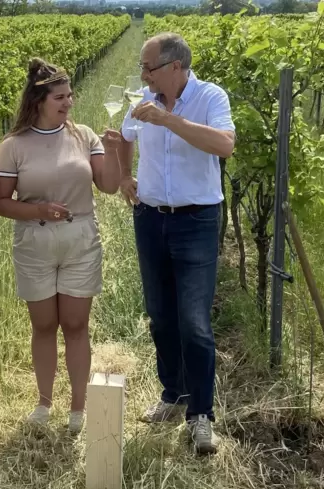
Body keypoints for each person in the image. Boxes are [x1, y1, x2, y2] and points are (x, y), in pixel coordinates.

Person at [116, 32, 235, 454]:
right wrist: (125, 175)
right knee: (160, 315)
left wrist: (169, 120)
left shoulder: (210, 97)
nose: (143, 74)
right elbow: (123, 137)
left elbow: (224, 144)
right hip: (149, 218)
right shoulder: (140, 99)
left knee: (195, 323)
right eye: (143, 68)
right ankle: (174, 394)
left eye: (149, 67)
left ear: (175, 67)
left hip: (196, 221)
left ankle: (201, 414)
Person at [0, 58, 122, 432]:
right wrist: (38, 210)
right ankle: (44, 404)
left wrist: (113, 150)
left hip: (81, 239)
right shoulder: (14, 146)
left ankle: (77, 409)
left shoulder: (85, 136)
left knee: (77, 324)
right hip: (35, 241)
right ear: (39, 100)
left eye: (70, 96)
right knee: (44, 326)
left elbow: (109, 186)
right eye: (60, 97)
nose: (68, 104)